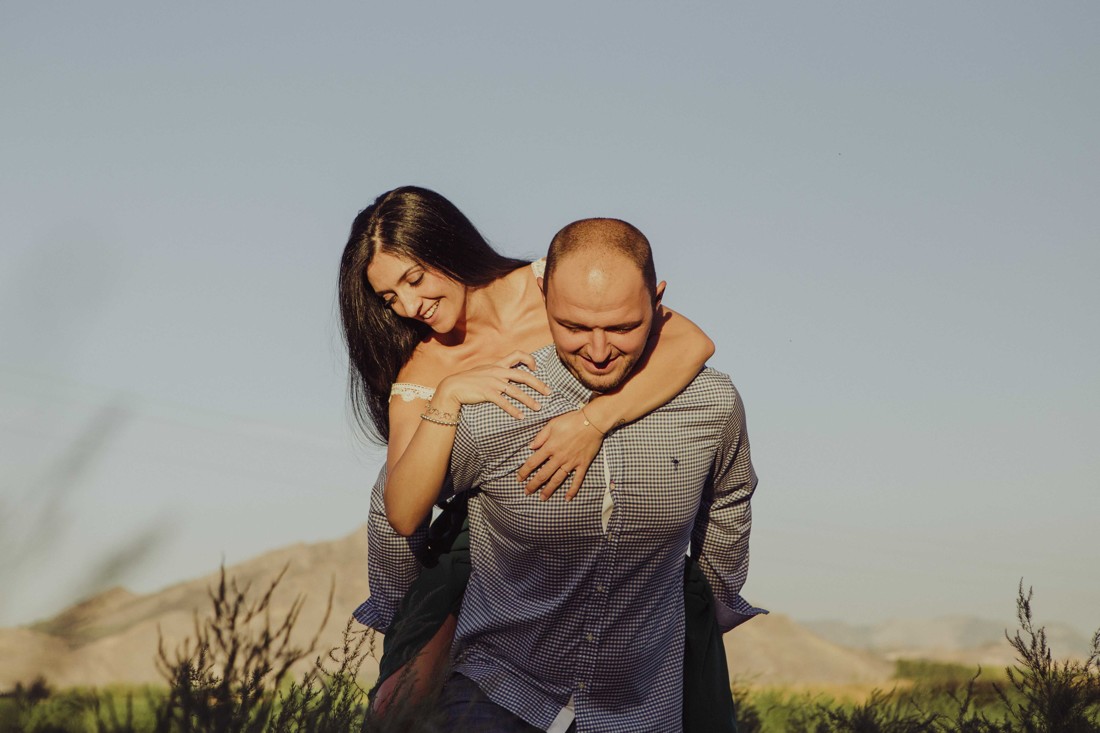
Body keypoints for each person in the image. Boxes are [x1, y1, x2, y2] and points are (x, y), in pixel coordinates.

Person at [337, 188, 721, 719]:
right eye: (388, 298)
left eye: (413, 278)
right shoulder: (424, 368)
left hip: (600, 524)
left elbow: (692, 343)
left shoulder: (552, 286)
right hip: (481, 543)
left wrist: (592, 422)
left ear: (445, 246)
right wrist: (449, 395)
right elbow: (403, 511)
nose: (408, 306)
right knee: (393, 711)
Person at [419, 218, 763, 731]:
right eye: (575, 327)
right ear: (542, 296)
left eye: (624, 328)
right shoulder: (493, 405)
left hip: (642, 707)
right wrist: (410, 648)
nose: (599, 352)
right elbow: (400, 515)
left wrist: (699, 605)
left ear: (658, 300)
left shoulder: (711, 405)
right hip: (494, 694)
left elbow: (731, 499)